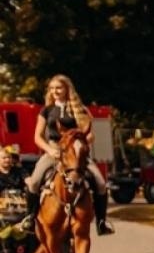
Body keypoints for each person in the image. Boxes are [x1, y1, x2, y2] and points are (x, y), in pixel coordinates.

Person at [25, 74, 114, 235]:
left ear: (67, 89)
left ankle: (101, 221)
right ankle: (30, 218)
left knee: (100, 183)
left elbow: (90, 134)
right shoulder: (46, 110)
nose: (55, 91)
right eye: (52, 88)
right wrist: (50, 149)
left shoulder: (81, 110)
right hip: (54, 150)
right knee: (34, 182)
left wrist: (88, 139)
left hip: (75, 153)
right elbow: (37, 136)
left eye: (58, 88)